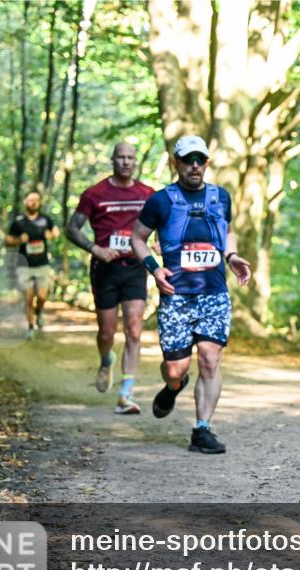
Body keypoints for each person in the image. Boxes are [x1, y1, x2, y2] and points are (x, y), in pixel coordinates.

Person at [131, 135, 252, 454]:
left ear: (207, 163)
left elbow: (227, 231)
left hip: (214, 293)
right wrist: (154, 269)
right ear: (176, 163)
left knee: (210, 360)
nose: (194, 166)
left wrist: (232, 256)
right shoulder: (160, 201)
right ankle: (174, 387)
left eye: (200, 159)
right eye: (188, 160)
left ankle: (202, 429)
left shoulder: (221, 197)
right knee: (176, 369)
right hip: (177, 296)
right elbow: (137, 238)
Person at [66, 142, 156, 414]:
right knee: (106, 332)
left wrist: (160, 243)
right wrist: (96, 249)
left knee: (134, 328)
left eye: (130, 158)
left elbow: (162, 224)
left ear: (135, 161)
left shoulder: (147, 194)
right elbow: (72, 228)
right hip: (105, 269)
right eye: (121, 157)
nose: (126, 162)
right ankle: (106, 359)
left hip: (134, 267)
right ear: (112, 160)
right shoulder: (95, 194)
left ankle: (126, 393)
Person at [5, 191, 59, 337]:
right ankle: (30, 327)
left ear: (40, 202)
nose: (33, 202)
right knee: (28, 297)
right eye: (30, 200)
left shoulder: (45, 219)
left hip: (42, 264)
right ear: (25, 202)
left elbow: (56, 232)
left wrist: (51, 235)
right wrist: (18, 240)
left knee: (42, 296)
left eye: (36, 200)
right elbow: (7, 241)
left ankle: (39, 311)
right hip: (24, 265)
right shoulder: (19, 221)